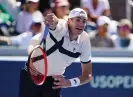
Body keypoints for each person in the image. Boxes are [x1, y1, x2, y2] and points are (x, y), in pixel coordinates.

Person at [19, 8, 92, 97]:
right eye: (78, 20)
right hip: (32, 74)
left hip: (54, 82)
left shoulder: (85, 40)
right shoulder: (61, 26)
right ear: (69, 21)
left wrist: (68, 83)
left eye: (84, 21)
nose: (81, 24)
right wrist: (52, 20)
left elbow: (87, 75)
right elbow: (55, 23)